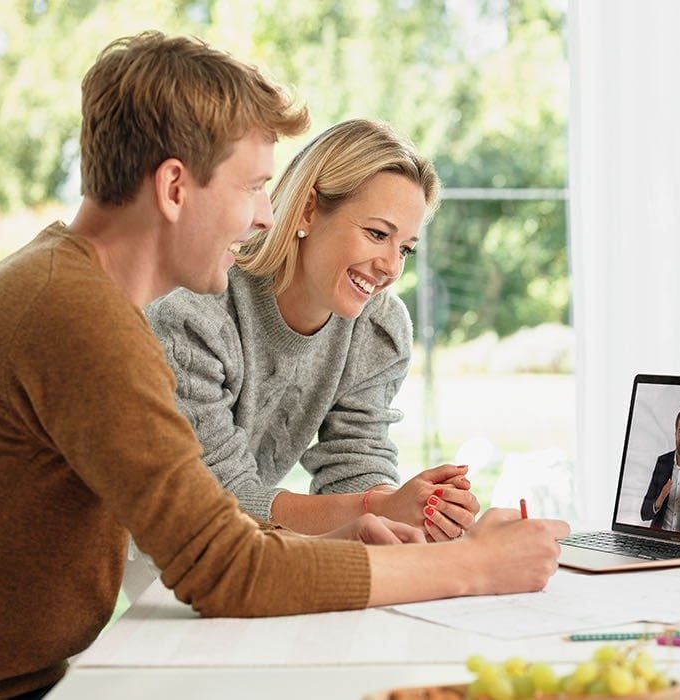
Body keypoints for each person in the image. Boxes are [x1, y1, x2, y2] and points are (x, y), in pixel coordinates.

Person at [0, 31, 569, 699]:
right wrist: (473, 566)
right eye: (252, 187)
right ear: (175, 188)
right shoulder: (77, 317)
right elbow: (226, 571)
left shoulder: (63, 288)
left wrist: (352, 534)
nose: (264, 216)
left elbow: (222, 545)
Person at [148, 119, 478, 542]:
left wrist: (412, 507)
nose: (391, 267)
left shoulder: (379, 328)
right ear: (308, 209)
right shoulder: (195, 315)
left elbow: (354, 462)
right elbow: (221, 499)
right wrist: (377, 507)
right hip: (139, 545)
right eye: (377, 233)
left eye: (405, 249)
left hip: (239, 546)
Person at [640, 406, 680, 532]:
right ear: (675, 433)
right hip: (658, 537)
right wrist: (661, 497)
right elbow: (644, 513)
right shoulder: (662, 462)